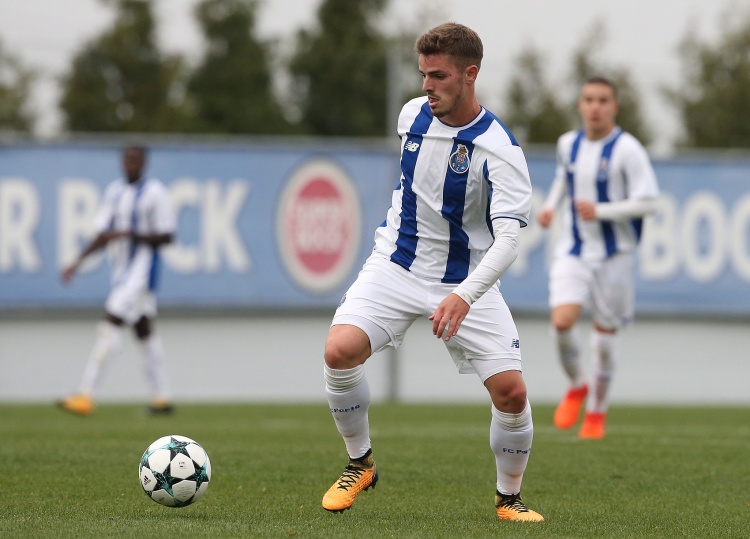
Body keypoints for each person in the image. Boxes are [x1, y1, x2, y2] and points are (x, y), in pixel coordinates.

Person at [320, 23, 543, 522]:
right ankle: (360, 463)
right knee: (338, 351)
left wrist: (464, 295)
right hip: (397, 265)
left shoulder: (501, 150)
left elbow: (508, 242)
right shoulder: (411, 117)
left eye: (438, 76)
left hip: (466, 280)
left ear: (470, 74)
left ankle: (509, 499)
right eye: (422, 74)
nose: (427, 86)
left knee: (512, 393)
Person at [537, 77, 660, 439]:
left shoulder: (628, 149)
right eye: (589, 99)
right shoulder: (568, 144)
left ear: (614, 107)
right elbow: (564, 178)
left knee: (604, 339)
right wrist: (549, 206)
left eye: (603, 100)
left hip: (614, 255)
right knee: (561, 322)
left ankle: (596, 414)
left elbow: (649, 202)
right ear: (580, 105)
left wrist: (602, 211)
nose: (595, 107)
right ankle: (577, 385)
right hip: (574, 250)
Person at [58, 146, 176, 416]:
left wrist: (133, 234)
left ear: (144, 163)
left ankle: (86, 394)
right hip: (122, 272)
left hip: (142, 272)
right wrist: (76, 263)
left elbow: (168, 235)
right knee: (144, 331)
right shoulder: (115, 191)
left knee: (110, 322)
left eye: (135, 160)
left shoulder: (155, 193)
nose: (130, 164)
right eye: (127, 160)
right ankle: (163, 398)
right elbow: (103, 234)